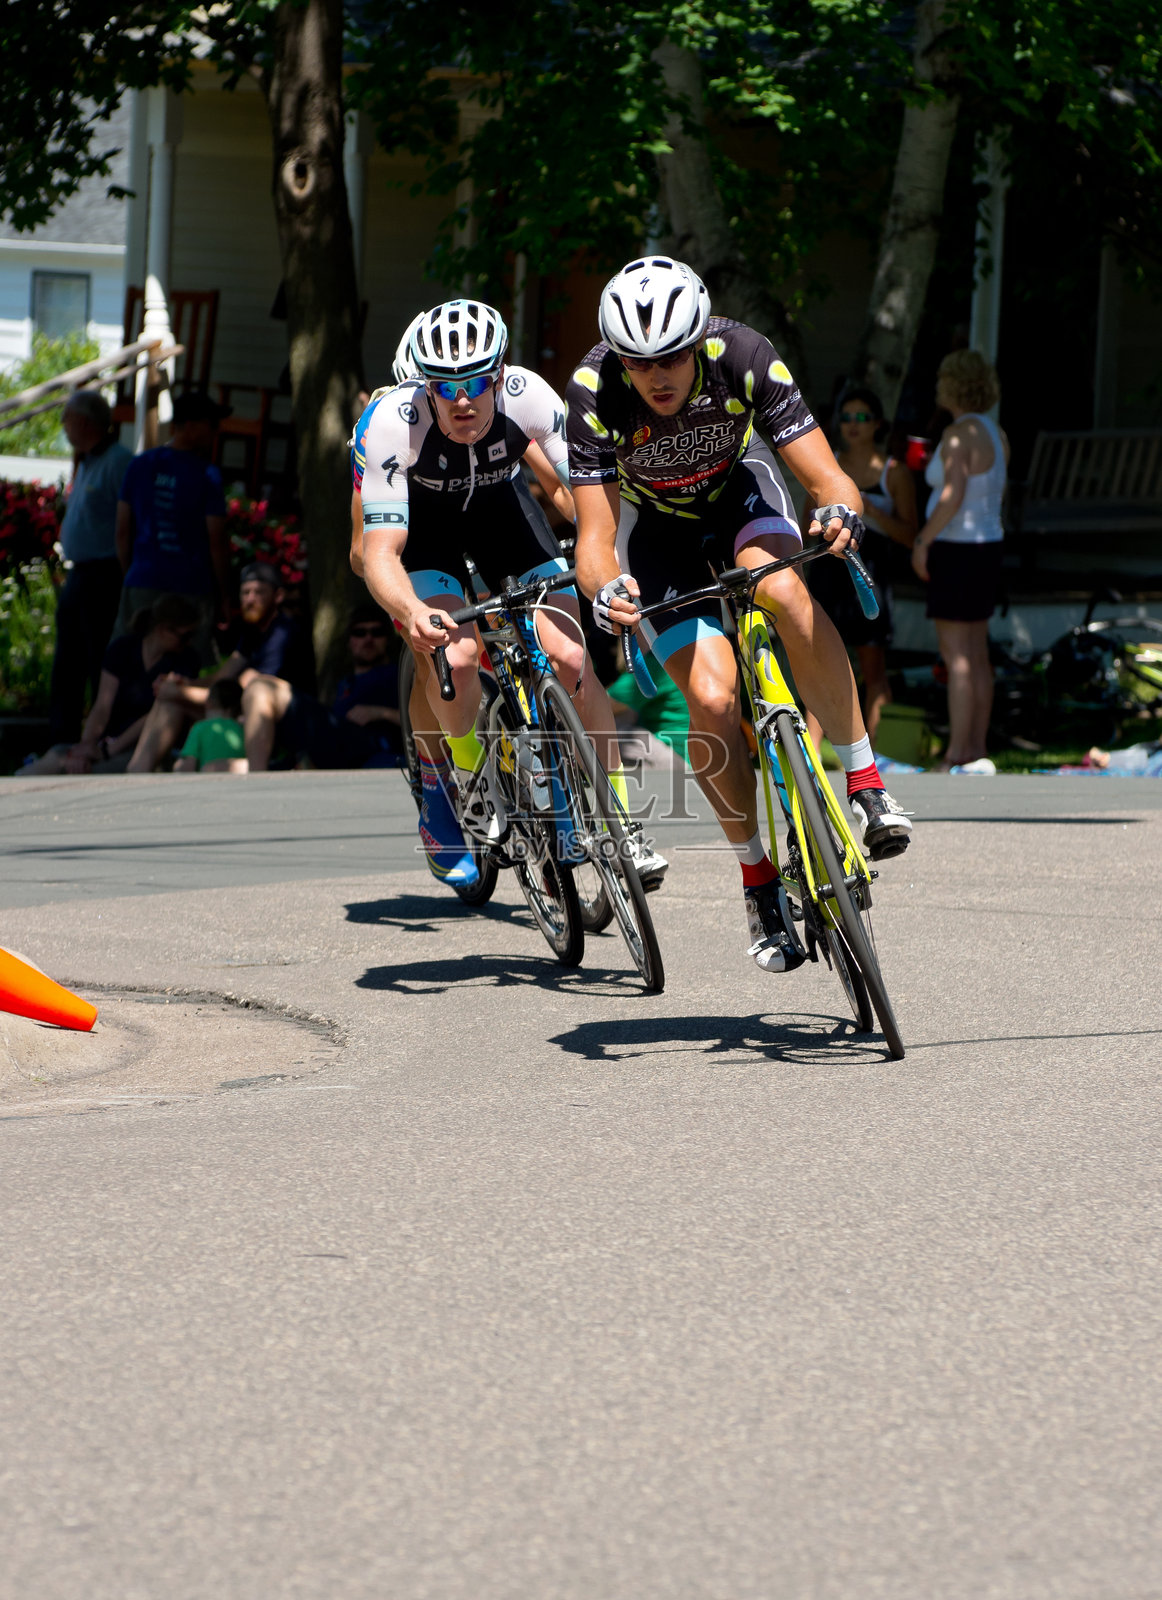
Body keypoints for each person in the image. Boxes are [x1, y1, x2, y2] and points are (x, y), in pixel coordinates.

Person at [567, 255, 912, 975]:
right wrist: (606, 591)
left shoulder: (745, 354)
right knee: (714, 699)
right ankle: (757, 879)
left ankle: (864, 781)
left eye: (672, 357)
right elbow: (595, 539)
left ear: (699, 345)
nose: (657, 375)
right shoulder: (596, 391)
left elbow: (824, 473)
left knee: (786, 592)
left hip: (742, 498)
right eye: (640, 362)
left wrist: (840, 508)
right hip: (654, 533)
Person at [357, 298, 665, 884]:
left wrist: (611, 563)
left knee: (572, 659)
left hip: (503, 515)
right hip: (426, 533)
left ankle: (621, 822)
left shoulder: (530, 395)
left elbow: (583, 494)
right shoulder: (394, 421)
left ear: (499, 375)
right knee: (460, 655)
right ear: (425, 387)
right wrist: (412, 611)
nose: (463, 399)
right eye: (446, 388)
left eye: (477, 382)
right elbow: (378, 552)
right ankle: (472, 781)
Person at [911, 350, 1009, 774]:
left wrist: (922, 541)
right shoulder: (996, 433)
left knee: (956, 655)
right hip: (988, 546)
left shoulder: (956, 435)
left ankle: (956, 753)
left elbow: (951, 498)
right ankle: (976, 746)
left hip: (955, 548)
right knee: (977, 651)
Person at [805, 385, 917, 750]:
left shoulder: (894, 472)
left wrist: (867, 508)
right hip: (828, 570)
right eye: (847, 417)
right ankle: (813, 756)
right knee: (821, 663)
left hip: (872, 572)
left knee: (873, 666)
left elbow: (909, 534)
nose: (853, 425)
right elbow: (808, 521)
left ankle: (878, 753)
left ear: (877, 424)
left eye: (862, 418)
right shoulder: (827, 468)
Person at [127, 561, 315, 772]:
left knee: (179, 697)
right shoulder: (253, 632)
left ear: (278, 596)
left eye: (258, 592)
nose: (250, 599)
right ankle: (135, 771)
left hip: (274, 732)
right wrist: (187, 684)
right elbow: (221, 677)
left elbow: (250, 695)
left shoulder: (283, 634)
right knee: (171, 700)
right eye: (245, 593)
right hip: (236, 715)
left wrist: (184, 691)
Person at [17, 594, 201, 776]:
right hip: (106, 742)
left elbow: (155, 714)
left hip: (143, 748)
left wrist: (108, 751)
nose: (189, 642)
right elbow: (102, 707)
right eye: (185, 635)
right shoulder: (122, 649)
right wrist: (86, 747)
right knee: (53, 760)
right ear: (163, 629)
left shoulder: (185, 661)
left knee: (92, 773)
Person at [114, 390, 232, 662]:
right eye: (211, 425)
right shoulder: (207, 474)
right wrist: (225, 594)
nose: (217, 432)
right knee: (187, 668)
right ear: (189, 426)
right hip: (191, 587)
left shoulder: (140, 465)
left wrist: (131, 573)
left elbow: (122, 531)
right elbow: (217, 541)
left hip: (142, 581)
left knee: (130, 662)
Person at [47, 389, 134, 745]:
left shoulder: (119, 461)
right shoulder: (86, 460)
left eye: (66, 420)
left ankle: (98, 740)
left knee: (98, 656)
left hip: (104, 573)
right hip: (81, 572)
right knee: (67, 661)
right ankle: (62, 738)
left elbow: (129, 523)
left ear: (84, 422)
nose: (64, 428)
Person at [240, 602, 405, 771]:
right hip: (331, 749)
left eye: (377, 632)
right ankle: (260, 774)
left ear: (387, 639)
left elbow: (424, 723)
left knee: (261, 688)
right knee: (219, 767)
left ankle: (257, 783)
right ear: (350, 641)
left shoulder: (399, 673)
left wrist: (379, 713)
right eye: (360, 633)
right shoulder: (345, 683)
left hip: (372, 750)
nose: (368, 639)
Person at [173, 678, 247, 773]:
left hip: (209, 782)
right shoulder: (244, 729)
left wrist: (176, 767)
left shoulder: (200, 728)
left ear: (208, 702)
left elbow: (187, 767)